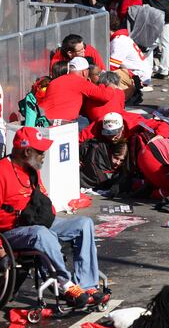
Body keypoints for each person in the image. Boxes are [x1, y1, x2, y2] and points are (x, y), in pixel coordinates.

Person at [0, 127, 108, 308]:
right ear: (27, 151)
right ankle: (65, 283)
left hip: (38, 223)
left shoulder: (32, 170)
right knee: (41, 233)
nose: (44, 156)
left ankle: (87, 284)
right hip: (11, 232)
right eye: (40, 152)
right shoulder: (2, 172)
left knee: (84, 223)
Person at [39, 57, 117, 122]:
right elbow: (105, 96)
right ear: (84, 72)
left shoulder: (55, 81)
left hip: (45, 120)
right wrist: (109, 85)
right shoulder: (81, 82)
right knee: (88, 122)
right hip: (65, 122)